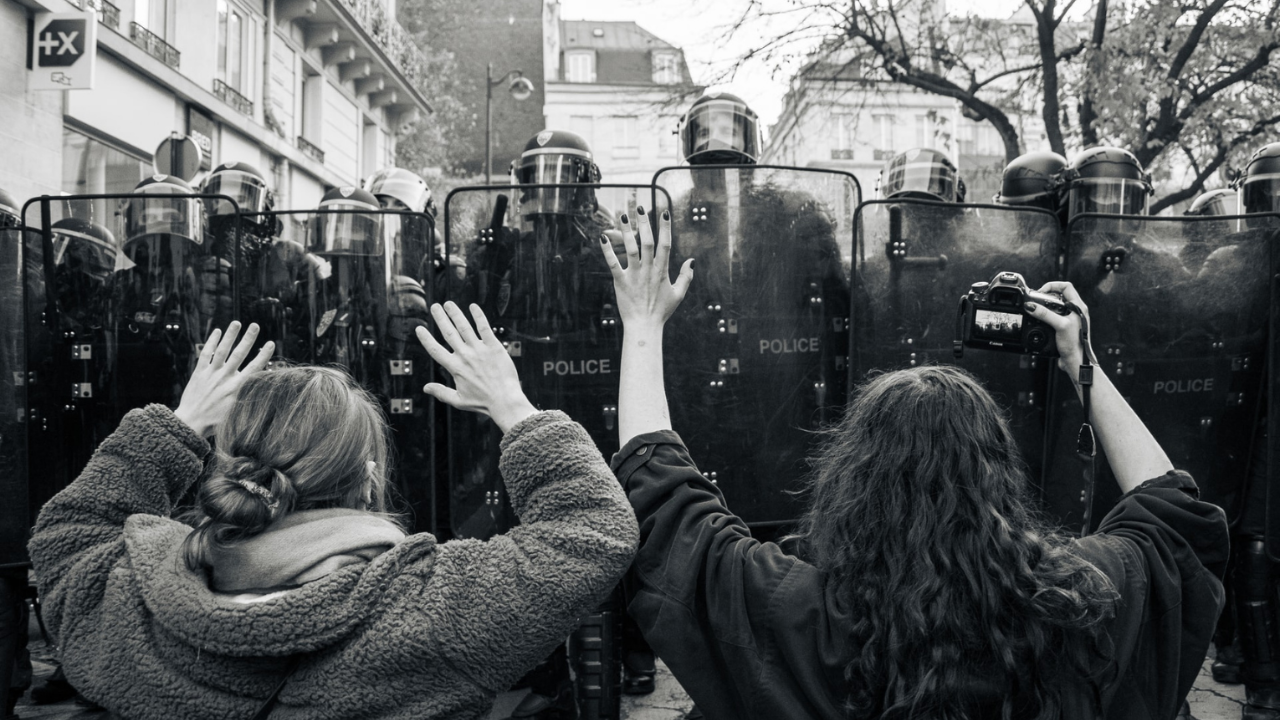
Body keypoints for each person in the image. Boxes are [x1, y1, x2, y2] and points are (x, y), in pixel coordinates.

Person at [598, 206, 1229, 719]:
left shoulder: (800, 613)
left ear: (852, 479)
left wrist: (644, 325)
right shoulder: (1078, 602)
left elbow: (667, 501)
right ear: (999, 476)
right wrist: (1079, 360)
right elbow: (1174, 516)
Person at [25, 315, 638, 719]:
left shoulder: (127, 600)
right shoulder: (432, 611)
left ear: (225, 462)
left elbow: (68, 531)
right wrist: (512, 404)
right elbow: (592, 531)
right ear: (369, 480)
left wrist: (177, 425)